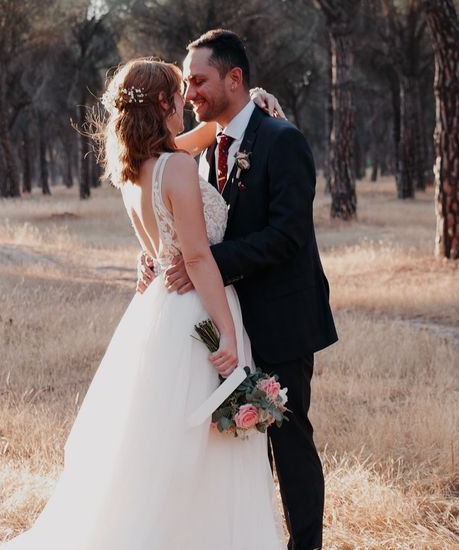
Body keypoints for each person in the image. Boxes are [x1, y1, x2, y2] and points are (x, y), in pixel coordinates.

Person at [2, 58, 286, 549]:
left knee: (160, 447)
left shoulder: (136, 171)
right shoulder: (175, 166)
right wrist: (229, 334)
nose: (189, 102)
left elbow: (164, 236)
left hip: (158, 316)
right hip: (198, 311)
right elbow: (196, 257)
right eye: (182, 93)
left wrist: (252, 97)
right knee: (203, 448)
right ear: (164, 103)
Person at [138, 30, 338, 550]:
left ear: (235, 78)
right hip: (223, 321)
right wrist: (161, 257)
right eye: (186, 85)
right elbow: (165, 200)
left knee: (288, 442)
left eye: (199, 81)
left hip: (280, 318)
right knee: (231, 444)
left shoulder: (282, 139)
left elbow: (288, 235)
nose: (190, 95)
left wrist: (205, 264)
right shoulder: (205, 146)